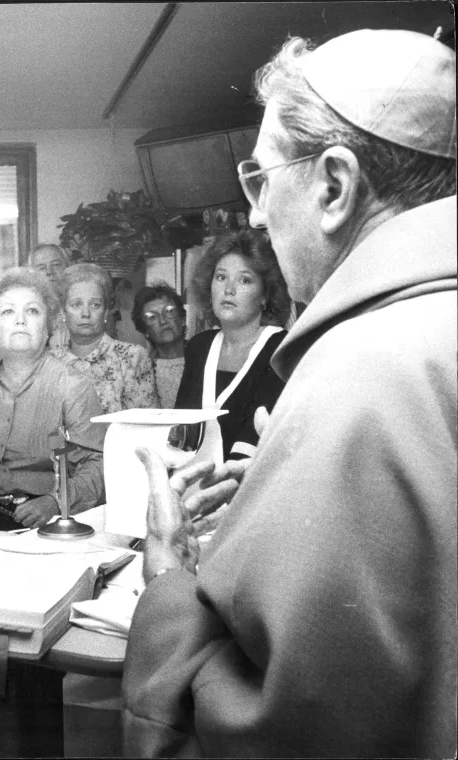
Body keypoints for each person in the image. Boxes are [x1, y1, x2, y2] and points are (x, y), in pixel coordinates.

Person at [123, 29, 457, 757]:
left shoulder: (361, 370)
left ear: (334, 187)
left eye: (260, 179)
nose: (251, 215)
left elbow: (279, 732)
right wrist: (289, 490)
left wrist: (167, 582)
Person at [0, 267, 105, 531]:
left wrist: (55, 502)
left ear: (48, 327)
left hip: (48, 523)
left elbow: (96, 467)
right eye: (7, 312)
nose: (20, 321)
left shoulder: (74, 387)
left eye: (32, 311)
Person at [174, 229, 290, 460]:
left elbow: (256, 439)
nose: (229, 289)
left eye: (245, 280)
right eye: (221, 277)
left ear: (265, 295)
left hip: (247, 484)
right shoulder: (199, 346)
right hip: (190, 482)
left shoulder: (281, 347)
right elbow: (179, 427)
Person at [53, 262, 159, 413]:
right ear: (63, 313)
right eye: (76, 305)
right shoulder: (50, 362)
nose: (86, 313)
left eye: (95, 305)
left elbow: (145, 425)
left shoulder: (132, 357)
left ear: (105, 312)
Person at [131, 283, 187, 408]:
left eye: (169, 312)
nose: (163, 321)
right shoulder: (140, 367)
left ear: (182, 319)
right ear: (145, 330)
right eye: (152, 317)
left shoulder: (204, 358)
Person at [29, 243, 71, 349]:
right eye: (41, 267)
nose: (49, 272)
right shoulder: (27, 310)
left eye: (56, 265)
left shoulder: (82, 304)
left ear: (68, 268)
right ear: (31, 274)